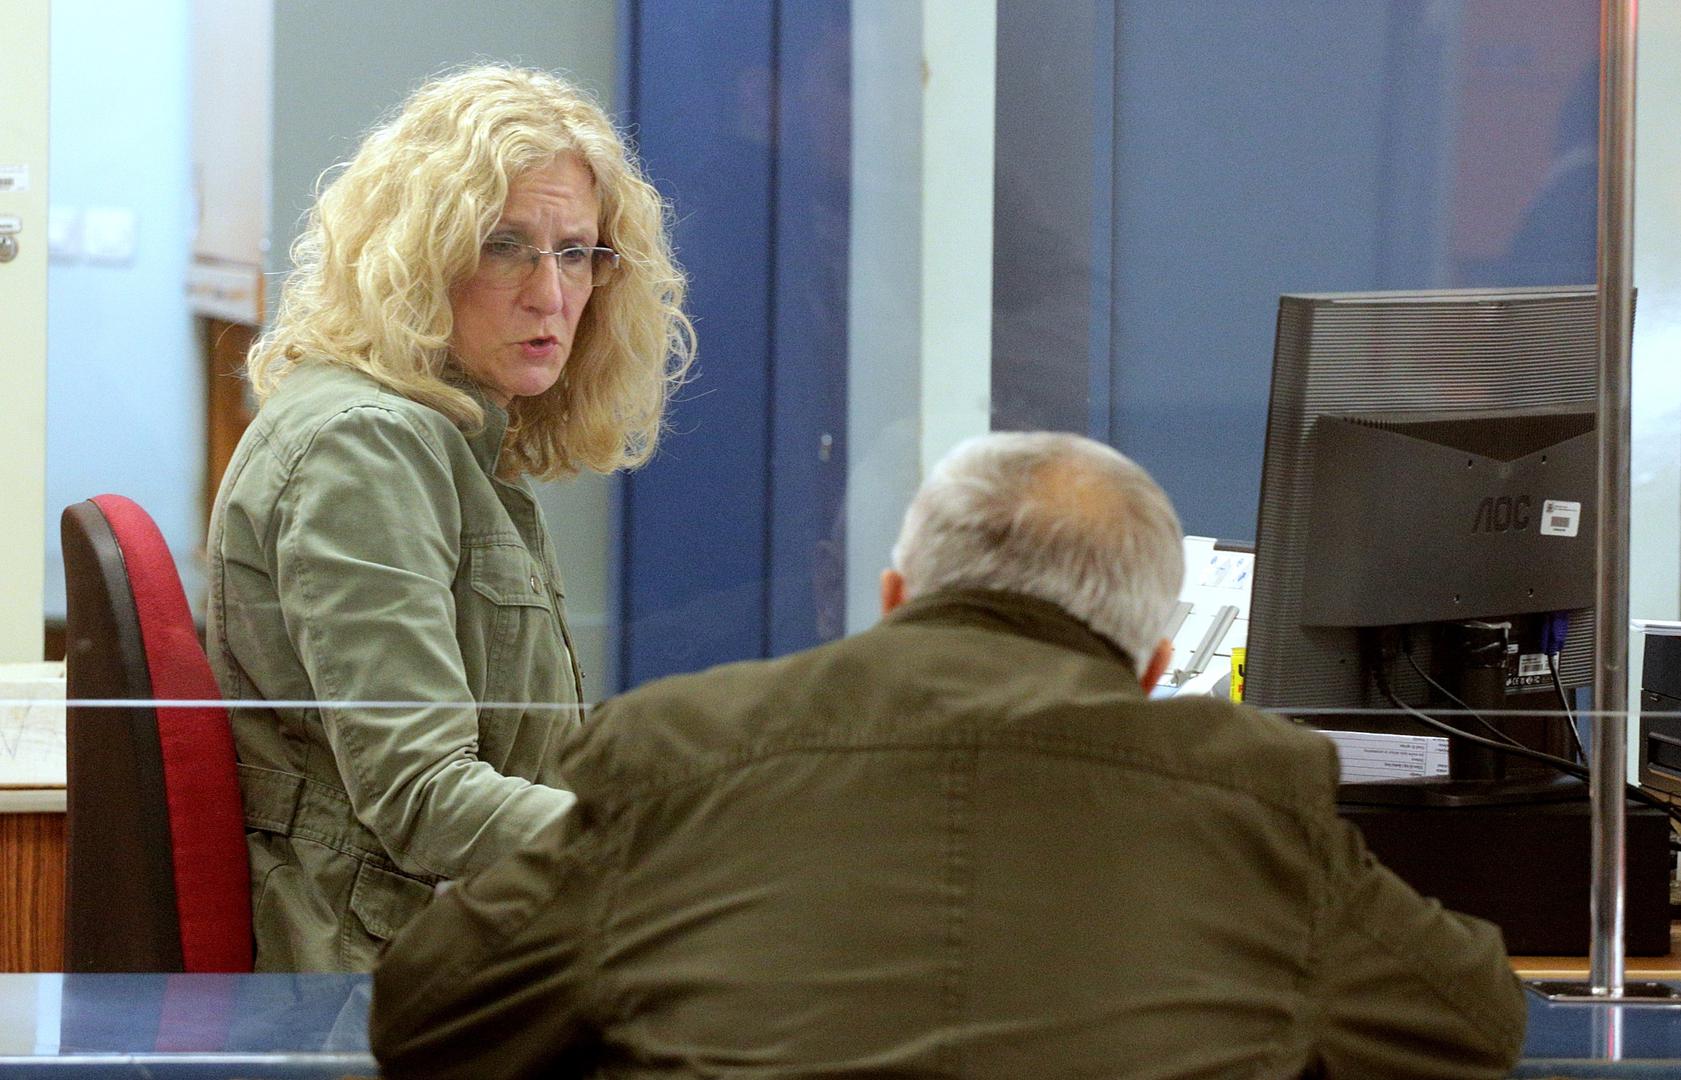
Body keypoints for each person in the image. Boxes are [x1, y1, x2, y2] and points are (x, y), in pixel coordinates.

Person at [368, 432, 1527, 1078]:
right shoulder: (1246, 793)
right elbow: (1473, 1021)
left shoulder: (679, 752)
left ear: (893, 597)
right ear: (1153, 662)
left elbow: (427, 1011)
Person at [206, 65, 694, 971]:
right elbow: (424, 797)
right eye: (506, 246)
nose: (551, 294)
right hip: (380, 970)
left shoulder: (449, 431)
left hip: (456, 936)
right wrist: (678, 852)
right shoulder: (366, 444)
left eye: (577, 252)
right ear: (419, 255)